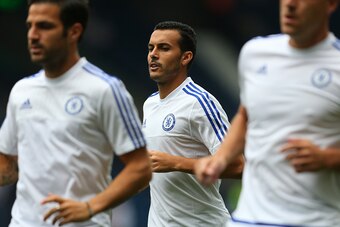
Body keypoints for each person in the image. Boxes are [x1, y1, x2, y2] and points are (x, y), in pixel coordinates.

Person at [0, 0, 152, 226]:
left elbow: (141, 167)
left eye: (44, 26)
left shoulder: (105, 89)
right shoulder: (21, 91)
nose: (33, 35)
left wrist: (90, 207)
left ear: (74, 32)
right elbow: (8, 166)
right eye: (30, 26)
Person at [195, 0, 340, 226]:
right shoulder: (255, 53)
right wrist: (220, 159)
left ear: (330, 4)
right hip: (248, 218)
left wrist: (327, 158)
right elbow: (246, 114)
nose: (290, 4)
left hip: (316, 219)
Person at [143, 21, 244, 227]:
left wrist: (175, 163)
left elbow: (239, 166)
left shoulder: (198, 102)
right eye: (151, 48)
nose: (154, 54)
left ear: (185, 57)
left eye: (164, 48)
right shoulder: (150, 104)